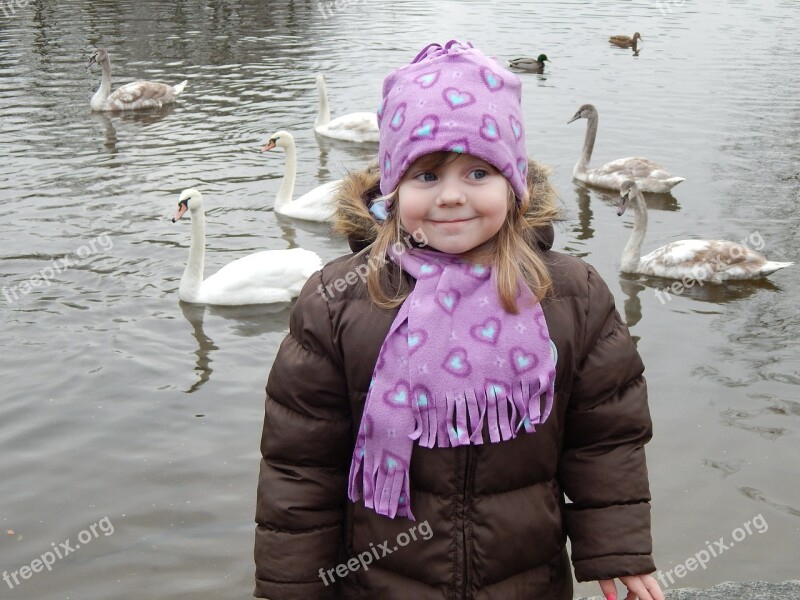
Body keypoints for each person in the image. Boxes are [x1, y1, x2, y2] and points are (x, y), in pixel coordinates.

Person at [254, 40, 663, 600]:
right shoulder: (339, 300)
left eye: (477, 173)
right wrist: (292, 586)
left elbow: (605, 437)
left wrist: (616, 547)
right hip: (382, 582)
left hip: (526, 582)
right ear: (392, 192)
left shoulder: (570, 295)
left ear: (514, 186)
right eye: (425, 176)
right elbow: (300, 464)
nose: (451, 196)